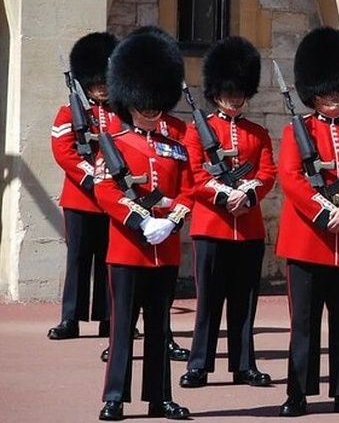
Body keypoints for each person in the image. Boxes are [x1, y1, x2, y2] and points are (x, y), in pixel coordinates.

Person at [276, 27, 339, 417]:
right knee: (303, 321)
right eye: (326, 92)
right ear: (313, 91)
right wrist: (324, 211)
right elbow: (291, 178)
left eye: (338, 91)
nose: (334, 98)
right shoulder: (296, 131)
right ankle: (298, 392)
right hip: (308, 240)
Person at [94, 29, 192, 421]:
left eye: (155, 104)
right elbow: (105, 190)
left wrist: (171, 223)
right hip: (127, 249)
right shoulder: (115, 142)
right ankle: (115, 396)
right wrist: (140, 221)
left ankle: (159, 397)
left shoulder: (176, 145)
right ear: (129, 100)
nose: (150, 111)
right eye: (142, 104)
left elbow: (190, 190)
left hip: (164, 249)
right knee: (122, 328)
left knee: (159, 326)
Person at [180, 36, 277, 389]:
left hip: (248, 229)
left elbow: (267, 173)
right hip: (212, 228)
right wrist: (223, 196)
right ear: (216, 90)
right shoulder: (196, 131)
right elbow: (193, 175)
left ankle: (243, 364)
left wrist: (247, 194)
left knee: (244, 303)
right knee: (208, 302)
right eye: (229, 91)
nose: (235, 97)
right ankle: (199, 364)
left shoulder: (258, 133)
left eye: (240, 91)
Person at [49, 32, 120, 341]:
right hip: (81, 198)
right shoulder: (70, 112)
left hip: (113, 199)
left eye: (105, 81)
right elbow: (62, 150)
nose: (101, 87)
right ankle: (71, 318)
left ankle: (108, 318)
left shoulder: (121, 113)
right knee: (78, 258)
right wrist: (92, 176)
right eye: (96, 82)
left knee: (109, 258)